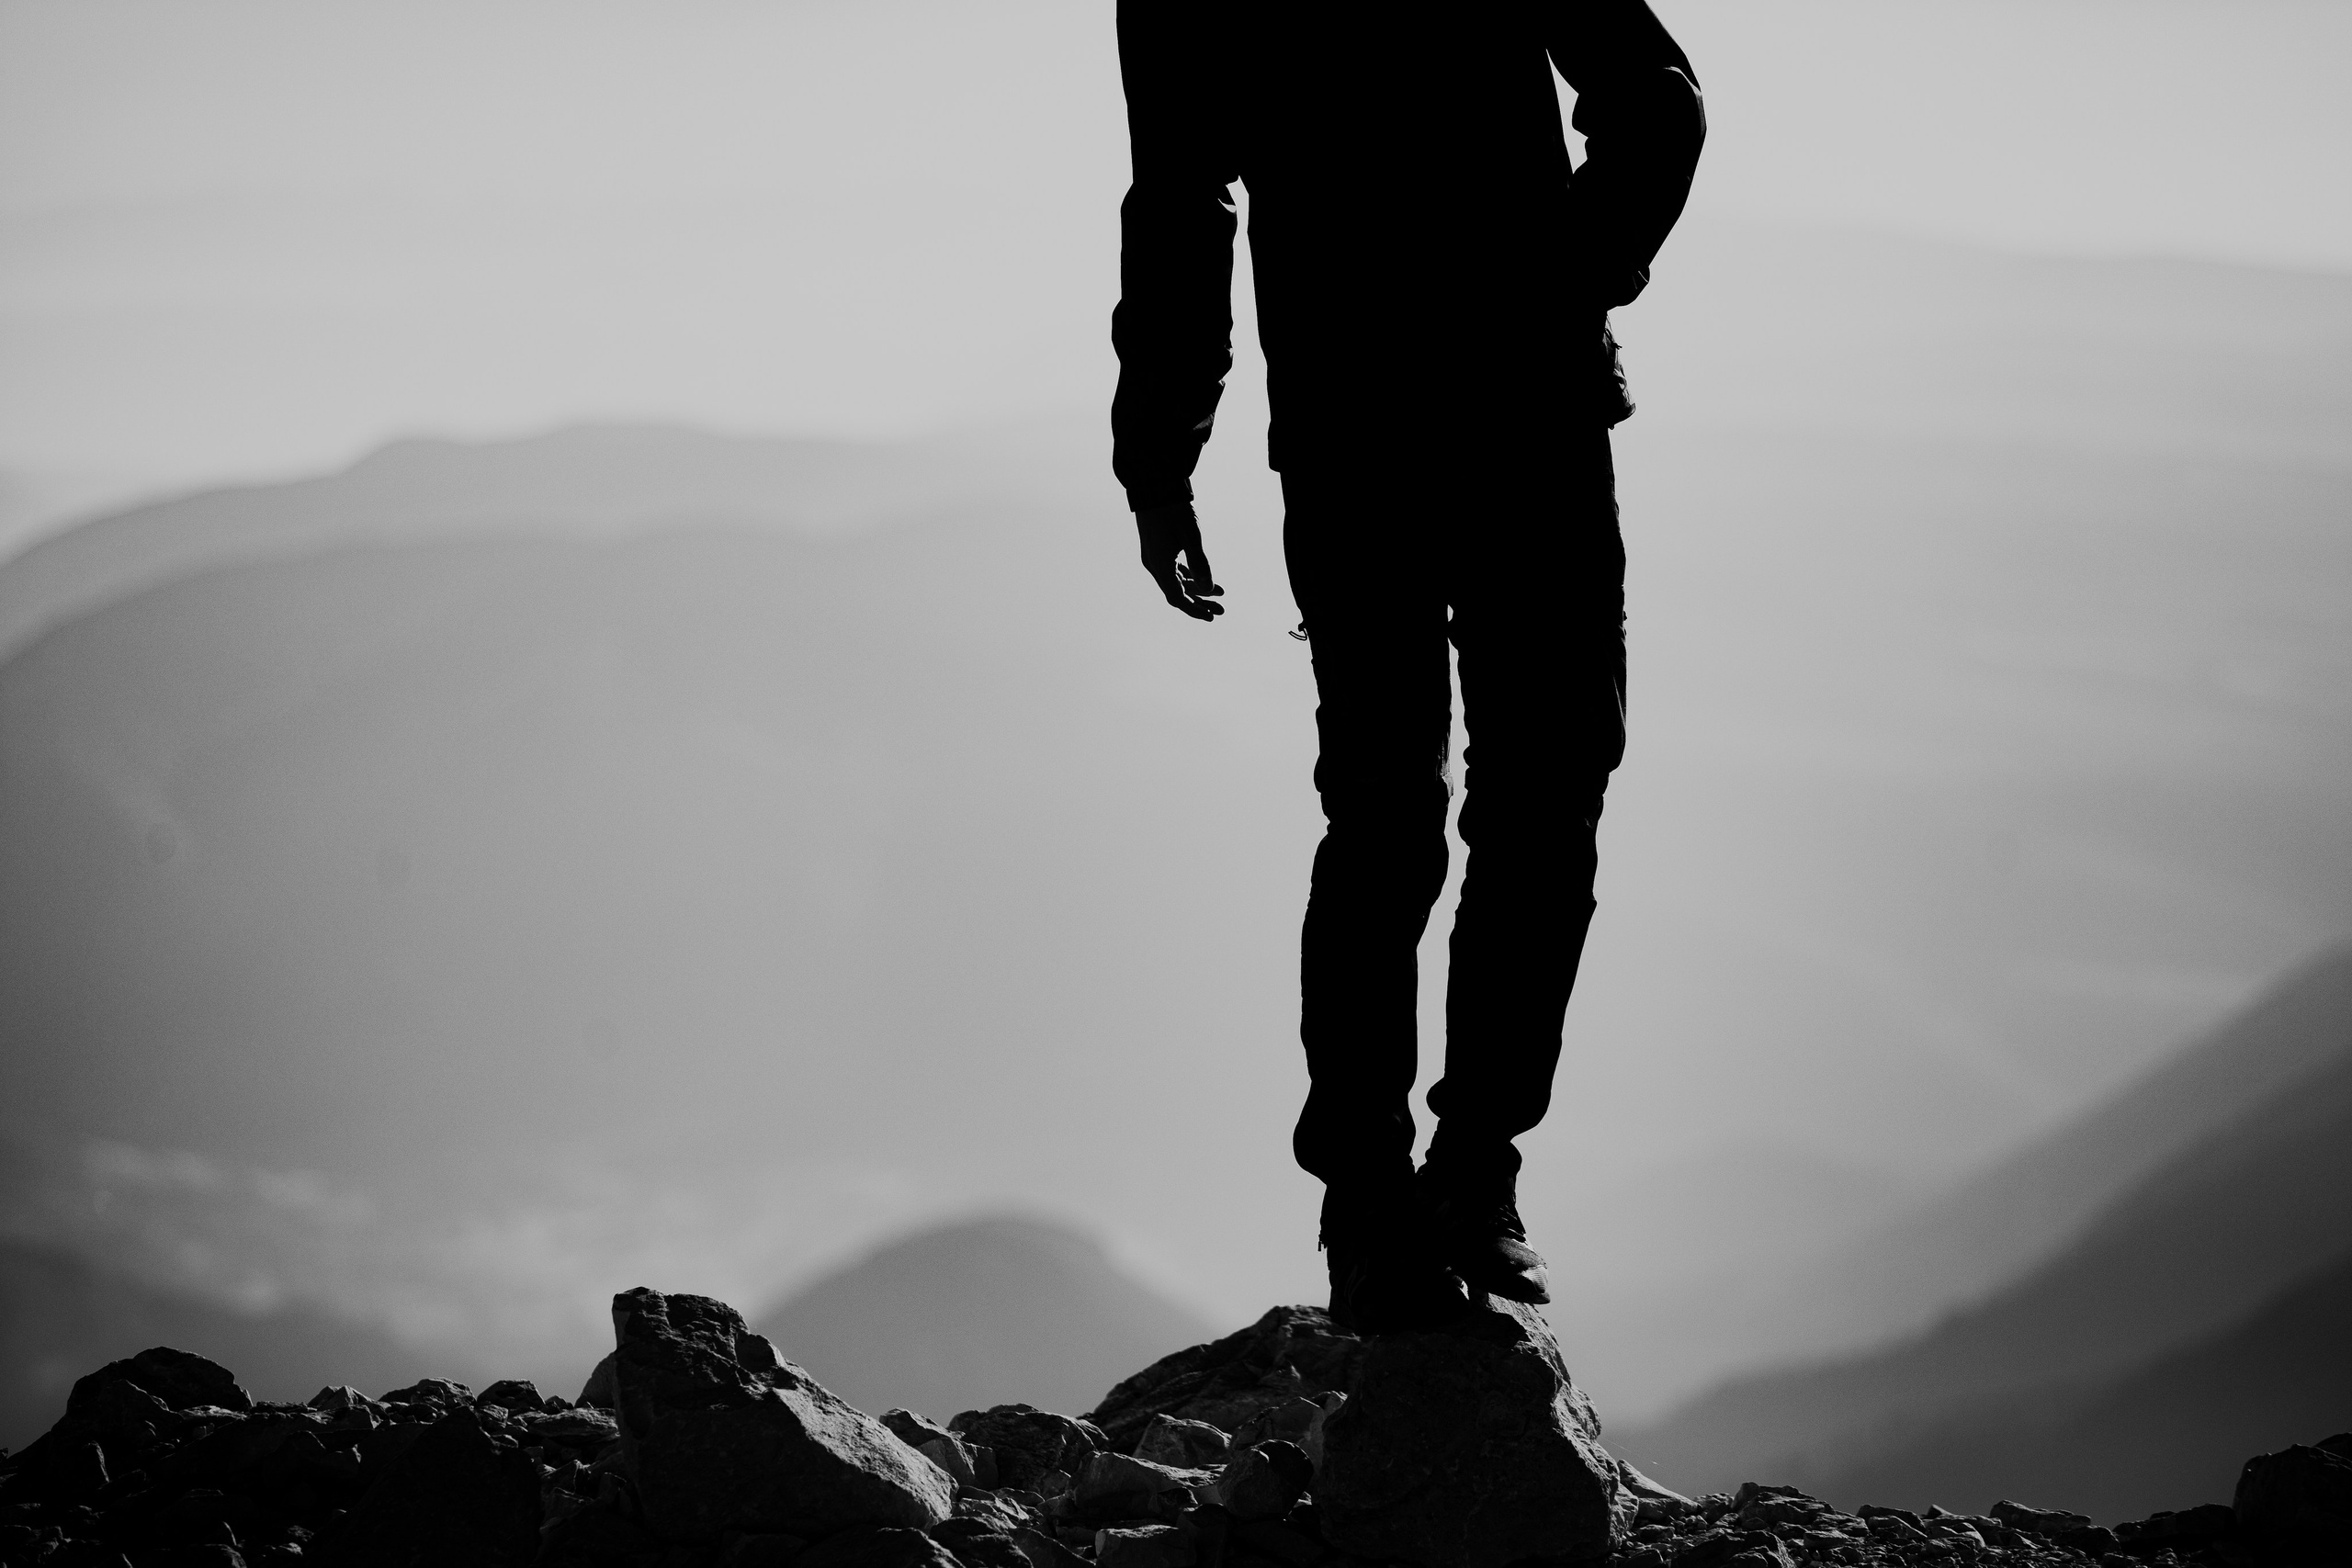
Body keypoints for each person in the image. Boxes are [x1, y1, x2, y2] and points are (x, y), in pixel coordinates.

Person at [1111, 1, 1703, 1332]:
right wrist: (1571, 276)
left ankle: (1422, 1188)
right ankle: (1422, 1189)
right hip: (1464, 429)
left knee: (1445, 811)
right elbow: (1655, 95)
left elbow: (1182, 201)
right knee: (1486, 809)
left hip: (1397, 429)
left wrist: (1162, 449)